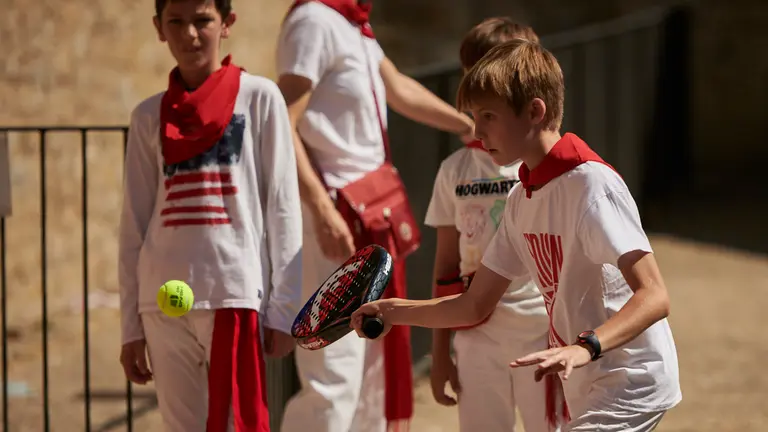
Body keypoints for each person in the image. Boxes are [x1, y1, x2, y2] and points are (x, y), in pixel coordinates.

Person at [352, 38, 682, 432]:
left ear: (534, 111)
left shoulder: (591, 185)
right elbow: (475, 305)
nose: (477, 130)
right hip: (590, 383)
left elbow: (655, 295)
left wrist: (585, 346)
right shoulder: (521, 200)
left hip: (631, 382)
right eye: (474, 116)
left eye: (488, 115)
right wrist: (392, 311)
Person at [275, 1, 475, 431]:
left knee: (372, 362)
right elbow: (281, 123)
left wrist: (467, 125)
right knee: (336, 370)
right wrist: (322, 210)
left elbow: (398, 87)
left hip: (369, 213)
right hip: (336, 216)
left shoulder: (352, 24)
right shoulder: (314, 19)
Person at [118, 0, 303, 430]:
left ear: (227, 24)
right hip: (161, 299)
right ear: (159, 29)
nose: (190, 34)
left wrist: (284, 307)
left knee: (237, 424)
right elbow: (133, 225)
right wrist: (131, 325)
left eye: (203, 21)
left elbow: (283, 206)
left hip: (231, 295)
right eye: (176, 22)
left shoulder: (259, 97)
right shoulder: (146, 116)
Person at [425, 18, 564, 432]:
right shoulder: (454, 169)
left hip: (542, 332)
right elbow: (445, 267)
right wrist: (440, 352)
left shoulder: (547, 165)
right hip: (476, 334)